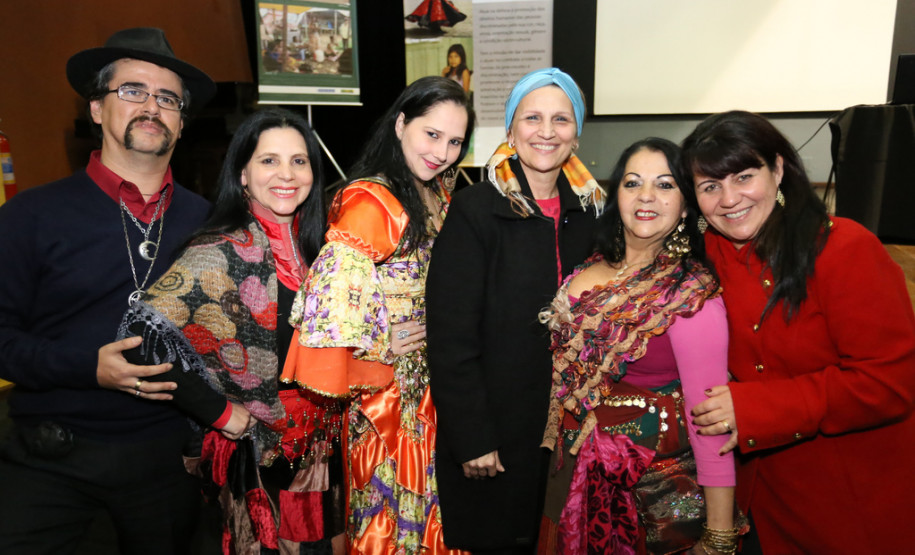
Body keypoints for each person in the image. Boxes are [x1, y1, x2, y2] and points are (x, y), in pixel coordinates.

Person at [0, 28, 215, 553]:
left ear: (182, 123)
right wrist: (86, 367)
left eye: (168, 98)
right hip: (51, 462)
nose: (151, 107)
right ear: (97, 109)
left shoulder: (208, 223)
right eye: (132, 91)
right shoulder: (30, 215)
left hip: (169, 465)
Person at [682, 110, 915, 553]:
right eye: (710, 187)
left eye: (744, 177)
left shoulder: (844, 248)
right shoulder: (703, 254)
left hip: (848, 497)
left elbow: (889, 384)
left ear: (778, 169)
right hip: (759, 501)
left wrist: (757, 407)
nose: (729, 199)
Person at [118, 108, 345, 554]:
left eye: (299, 161)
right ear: (242, 173)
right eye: (269, 161)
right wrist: (220, 412)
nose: (287, 174)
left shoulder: (320, 251)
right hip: (261, 454)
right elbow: (141, 338)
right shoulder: (220, 251)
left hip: (323, 447)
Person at [281, 76, 475, 553]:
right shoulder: (374, 199)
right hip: (394, 394)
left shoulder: (436, 192)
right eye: (432, 134)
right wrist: (375, 345)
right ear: (401, 122)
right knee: (394, 522)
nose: (443, 152)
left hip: (438, 386)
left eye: (455, 142)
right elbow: (328, 299)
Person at [426, 67, 605, 552]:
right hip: (496, 435)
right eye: (532, 118)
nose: (546, 131)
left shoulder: (594, 215)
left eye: (561, 119)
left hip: (569, 437)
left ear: (577, 131)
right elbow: (450, 336)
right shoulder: (474, 210)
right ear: (510, 130)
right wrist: (473, 436)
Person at [538, 138, 742, 554]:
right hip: (568, 475)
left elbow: (712, 422)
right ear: (618, 196)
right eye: (633, 183)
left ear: (686, 205)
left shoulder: (689, 295)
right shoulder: (589, 266)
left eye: (665, 185)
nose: (646, 196)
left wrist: (718, 536)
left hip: (646, 499)